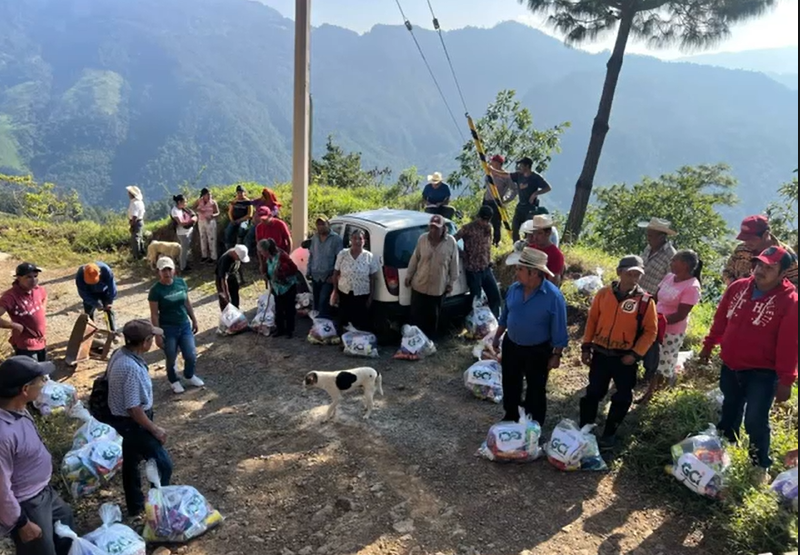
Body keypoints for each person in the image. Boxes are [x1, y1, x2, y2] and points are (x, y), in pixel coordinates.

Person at [700, 246, 799, 484]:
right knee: (730, 408)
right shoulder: (739, 287)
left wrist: (786, 380)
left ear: (783, 272)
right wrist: (708, 345)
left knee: (755, 419)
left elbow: (790, 343)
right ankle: (723, 454)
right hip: (731, 364)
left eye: (769, 267)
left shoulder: (790, 301)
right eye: (759, 264)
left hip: (763, 373)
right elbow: (721, 319)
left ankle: (759, 465)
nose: (761, 270)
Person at [580, 255, 658, 449]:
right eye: (630, 273)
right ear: (619, 272)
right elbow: (592, 320)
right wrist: (586, 346)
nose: (633, 278)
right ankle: (584, 428)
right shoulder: (604, 294)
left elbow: (651, 331)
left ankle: (609, 434)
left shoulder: (646, 301)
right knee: (594, 392)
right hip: (600, 352)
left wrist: (635, 354)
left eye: (637, 275)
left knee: (623, 396)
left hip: (625, 357)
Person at [0, 356, 74, 555]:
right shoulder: (3, 434)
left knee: (65, 525)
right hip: (27, 504)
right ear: (24, 390)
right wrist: (22, 523)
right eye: (41, 380)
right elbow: (1, 489)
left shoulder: (20, 408)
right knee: (41, 550)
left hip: (44, 492)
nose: (45, 383)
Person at [493, 248, 568, 426]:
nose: (516, 272)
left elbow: (559, 329)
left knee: (536, 388)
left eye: (520, 269)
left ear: (533, 272)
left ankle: (534, 423)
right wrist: (497, 337)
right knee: (510, 382)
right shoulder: (514, 289)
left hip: (538, 350)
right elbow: (505, 316)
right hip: (512, 344)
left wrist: (556, 355)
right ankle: (511, 415)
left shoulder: (553, 297)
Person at [107, 320, 172, 517]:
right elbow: (134, 408)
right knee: (163, 464)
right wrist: (155, 429)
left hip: (122, 422)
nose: (153, 341)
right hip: (134, 424)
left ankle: (135, 506)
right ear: (145, 342)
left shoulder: (121, 353)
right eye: (151, 338)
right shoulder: (131, 368)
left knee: (131, 464)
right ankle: (157, 505)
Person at [637, 250, 703, 405]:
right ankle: (649, 388)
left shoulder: (692, 287)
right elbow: (655, 297)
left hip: (671, 331)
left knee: (663, 362)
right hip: (654, 324)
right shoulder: (668, 277)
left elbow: (680, 314)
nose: (671, 263)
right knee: (650, 357)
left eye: (674, 260)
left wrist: (659, 320)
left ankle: (653, 395)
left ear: (684, 265)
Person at [148, 257, 203, 395]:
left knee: (190, 354)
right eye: (163, 270)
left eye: (169, 269)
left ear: (174, 270)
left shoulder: (181, 283)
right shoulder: (156, 290)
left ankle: (189, 375)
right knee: (171, 355)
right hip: (168, 327)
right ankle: (173, 380)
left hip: (184, 324)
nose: (167, 273)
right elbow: (154, 314)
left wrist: (194, 319)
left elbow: (187, 302)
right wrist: (158, 334)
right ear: (158, 272)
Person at [405, 215, 460, 340]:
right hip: (419, 284)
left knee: (432, 318)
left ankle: (428, 342)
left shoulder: (451, 242)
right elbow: (415, 258)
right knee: (416, 317)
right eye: (431, 227)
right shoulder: (422, 239)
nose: (433, 231)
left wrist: (451, 283)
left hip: (437, 289)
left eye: (436, 228)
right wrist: (409, 275)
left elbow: (454, 265)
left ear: (443, 229)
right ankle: (414, 342)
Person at [637, 218, 678, 383]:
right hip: (639, 295)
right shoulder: (649, 248)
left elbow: (671, 281)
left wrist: (656, 299)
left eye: (652, 235)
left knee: (651, 336)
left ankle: (649, 372)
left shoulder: (671, 256)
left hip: (653, 300)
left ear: (662, 237)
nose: (648, 238)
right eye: (648, 234)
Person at [724, 215, 798, 288]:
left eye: (751, 239)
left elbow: (796, 285)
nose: (746, 243)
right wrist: (735, 288)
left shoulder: (786, 256)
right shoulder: (741, 250)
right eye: (744, 239)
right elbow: (728, 272)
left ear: (766, 234)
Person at [454, 205, 502, 318]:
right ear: (478, 217)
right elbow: (452, 240)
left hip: (485, 267)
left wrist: (489, 259)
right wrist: (462, 254)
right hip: (473, 269)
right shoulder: (467, 228)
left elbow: (488, 245)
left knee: (495, 295)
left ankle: (495, 320)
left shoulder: (488, 228)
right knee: (476, 299)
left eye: (487, 220)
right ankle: (476, 323)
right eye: (482, 219)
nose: (484, 222)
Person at [490, 157, 552, 241]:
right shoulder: (518, 175)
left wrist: (535, 193)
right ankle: (516, 246)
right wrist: (493, 170)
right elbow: (506, 174)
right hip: (520, 206)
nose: (520, 167)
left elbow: (548, 188)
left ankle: (527, 247)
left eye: (522, 165)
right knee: (515, 228)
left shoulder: (535, 177)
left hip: (531, 207)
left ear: (527, 166)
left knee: (528, 231)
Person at [332, 229, 379, 333]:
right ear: (350, 240)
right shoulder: (343, 254)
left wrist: (371, 296)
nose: (357, 241)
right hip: (344, 292)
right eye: (354, 238)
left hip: (362, 294)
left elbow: (373, 278)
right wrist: (335, 291)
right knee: (344, 319)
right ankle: (345, 341)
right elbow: (335, 273)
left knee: (360, 321)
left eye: (360, 239)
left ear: (364, 241)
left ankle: (358, 344)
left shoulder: (369, 257)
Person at [0, 263, 47, 361]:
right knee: (31, 372)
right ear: (18, 278)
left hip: (40, 340)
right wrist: (15, 326)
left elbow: (44, 296)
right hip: (25, 344)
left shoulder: (38, 290)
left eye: (35, 276)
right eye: (28, 277)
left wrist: (42, 309)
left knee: (43, 368)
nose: (33, 280)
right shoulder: (10, 297)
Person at [259, 239, 299, 338]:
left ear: (267, 250)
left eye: (261, 251)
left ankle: (290, 331)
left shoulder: (282, 256)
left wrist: (282, 272)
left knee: (289, 309)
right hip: (277, 287)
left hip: (288, 286)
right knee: (278, 309)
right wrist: (266, 275)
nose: (261, 253)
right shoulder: (268, 258)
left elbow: (294, 269)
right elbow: (268, 270)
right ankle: (280, 329)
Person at [308, 216, 343, 319]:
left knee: (324, 301)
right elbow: (312, 255)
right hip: (315, 275)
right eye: (318, 224)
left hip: (327, 276)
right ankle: (318, 327)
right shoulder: (315, 238)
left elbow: (340, 259)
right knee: (317, 302)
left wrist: (334, 276)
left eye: (323, 224)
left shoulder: (336, 239)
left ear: (328, 224)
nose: (320, 227)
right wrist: (309, 269)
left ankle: (323, 326)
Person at [520, 215, 564, 287]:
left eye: (539, 233)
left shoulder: (556, 255)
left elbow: (552, 284)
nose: (535, 237)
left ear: (548, 233)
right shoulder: (530, 249)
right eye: (534, 233)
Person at [483, 155, 517, 247]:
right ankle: (482, 240)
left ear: (498, 163)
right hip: (486, 200)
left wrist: (505, 200)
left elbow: (514, 190)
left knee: (496, 223)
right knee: (482, 221)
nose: (491, 163)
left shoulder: (506, 176)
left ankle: (496, 242)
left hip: (497, 202)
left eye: (493, 161)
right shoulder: (489, 172)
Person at [75, 262, 118, 332]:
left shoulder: (106, 270)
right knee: (88, 314)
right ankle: (90, 331)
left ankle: (113, 332)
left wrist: (110, 301)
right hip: (90, 293)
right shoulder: (80, 275)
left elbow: (112, 288)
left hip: (104, 291)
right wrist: (96, 304)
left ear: (99, 273)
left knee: (108, 310)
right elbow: (84, 295)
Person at [246, 188, 282, 256]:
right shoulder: (259, 201)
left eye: (264, 196)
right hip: (256, 224)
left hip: (267, 224)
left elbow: (275, 211)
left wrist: (266, 217)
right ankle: (250, 254)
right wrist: (239, 202)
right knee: (249, 237)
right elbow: (250, 202)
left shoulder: (273, 205)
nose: (262, 197)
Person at [215, 245, 250, 310]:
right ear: (235, 254)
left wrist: (241, 279)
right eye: (239, 258)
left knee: (235, 296)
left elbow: (238, 267)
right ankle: (227, 315)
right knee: (225, 301)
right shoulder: (225, 260)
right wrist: (226, 295)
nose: (239, 260)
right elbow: (223, 279)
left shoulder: (236, 255)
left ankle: (236, 310)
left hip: (232, 276)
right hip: (222, 280)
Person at [170, 195, 197, 272]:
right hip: (182, 233)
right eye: (184, 202)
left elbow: (192, 214)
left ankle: (186, 263)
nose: (186, 203)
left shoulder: (183, 209)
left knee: (187, 248)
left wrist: (193, 218)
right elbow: (181, 223)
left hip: (188, 231)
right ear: (179, 202)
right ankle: (182, 267)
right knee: (184, 250)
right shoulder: (174, 211)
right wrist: (192, 220)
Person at [193, 188, 220, 264]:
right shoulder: (199, 201)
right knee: (202, 238)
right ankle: (204, 256)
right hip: (201, 221)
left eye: (209, 194)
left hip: (210, 222)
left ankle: (213, 257)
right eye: (207, 194)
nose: (208, 195)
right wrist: (198, 210)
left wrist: (212, 216)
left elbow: (217, 212)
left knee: (211, 239)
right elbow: (193, 208)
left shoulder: (213, 202)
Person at [225, 185, 253, 250]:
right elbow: (230, 212)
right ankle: (228, 248)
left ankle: (239, 246)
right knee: (228, 231)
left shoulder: (248, 202)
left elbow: (249, 215)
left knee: (241, 229)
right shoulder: (234, 201)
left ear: (244, 193)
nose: (240, 194)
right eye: (238, 193)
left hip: (245, 220)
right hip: (235, 219)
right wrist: (232, 220)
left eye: (241, 192)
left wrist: (240, 220)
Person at [127, 186, 146, 260]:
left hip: (136, 222)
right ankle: (141, 253)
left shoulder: (134, 203)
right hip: (140, 221)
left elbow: (134, 215)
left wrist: (132, 224)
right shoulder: (140, 202)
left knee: (135, 239)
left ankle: (137, 256)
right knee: (139, 238)